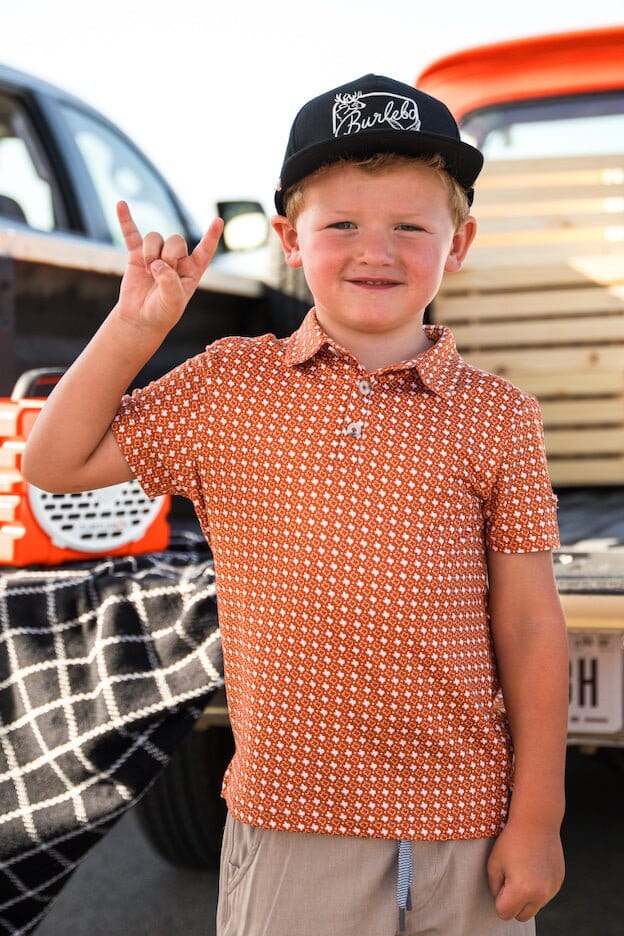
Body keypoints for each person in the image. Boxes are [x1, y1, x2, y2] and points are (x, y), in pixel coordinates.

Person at [22, 74, 568, 936]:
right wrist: (136, 326)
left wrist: (538, 817)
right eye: (342, 223)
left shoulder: (500, 415)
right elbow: (55, 465)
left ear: (457, 243)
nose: (373, 250)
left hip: (468, 820)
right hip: (292, 824)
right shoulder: (228, 386)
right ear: (289, 237)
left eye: (408, 226)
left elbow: (532, 624)